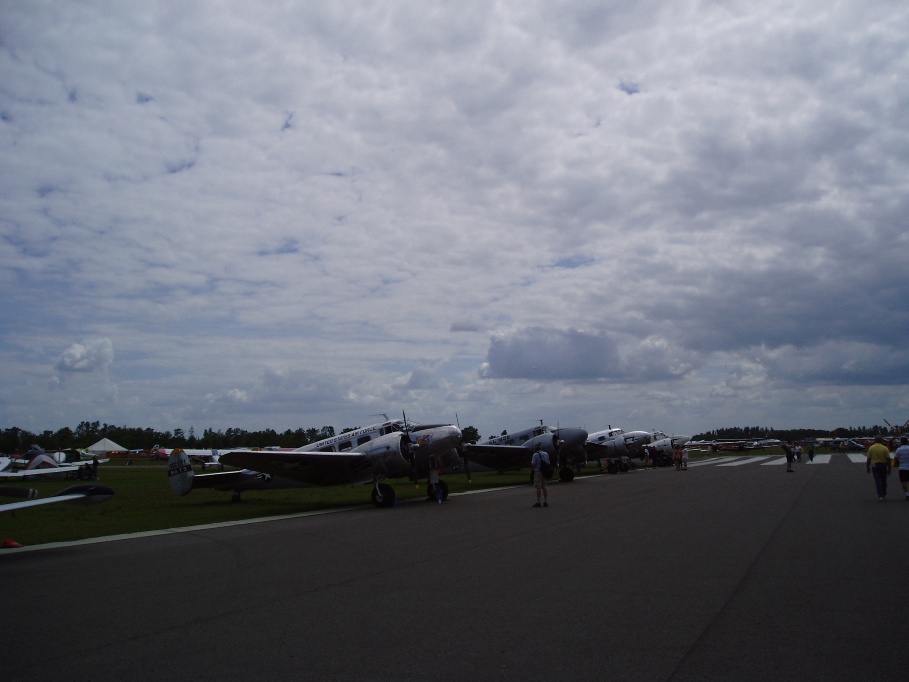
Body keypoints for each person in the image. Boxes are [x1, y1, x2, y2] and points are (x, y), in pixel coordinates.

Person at [866, 436, 892, 501]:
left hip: (875, 466)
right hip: (883, 465)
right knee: (883, 480)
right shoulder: (885, 448)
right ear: (881, 440)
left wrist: (868, 467)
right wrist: (889, 469)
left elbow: (869, 459)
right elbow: (888, 459)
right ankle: (884, 493)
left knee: (878, 481)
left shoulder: (871, 448)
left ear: (875, 440)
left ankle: (880, 495)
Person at [531, 443, 550, 508]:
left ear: (535, 448)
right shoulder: (546, 454)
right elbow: (548, 463)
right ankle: (545, 502)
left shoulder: (535, 455)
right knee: (545, 487)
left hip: (538, 472)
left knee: (538, 488)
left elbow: (533, 464)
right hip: (545, 472)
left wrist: (532, 469)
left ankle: (538, 502)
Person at [892, 437, 909, 501]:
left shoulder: (898, 449)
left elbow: (895, 458)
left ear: (901, 442)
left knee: (904, 481)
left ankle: (907, 494)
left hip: (902, 467)